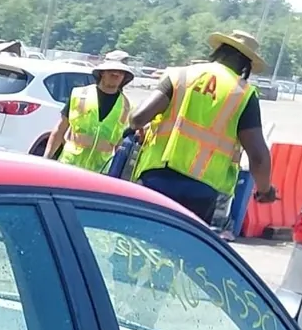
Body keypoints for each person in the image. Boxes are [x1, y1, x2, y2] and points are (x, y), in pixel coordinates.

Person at [120, 28, 279, 225]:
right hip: (201, 189)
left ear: (219, 51)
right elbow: (258, 156)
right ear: (246, 64)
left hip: (157, 175)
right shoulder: (244, 94)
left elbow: (137, 118)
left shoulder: (180, 75)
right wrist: (265, 190)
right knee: (182, 243)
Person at [44, 51, 137, 173]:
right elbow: (60, 129)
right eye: (111, 70)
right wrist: (46, 159)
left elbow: (120, 145)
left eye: (121, 71)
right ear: (102, 72)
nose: (116, 74)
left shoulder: (126, 106)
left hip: (99, 172)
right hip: (69, 166)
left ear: (125, 76)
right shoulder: (80, 94)